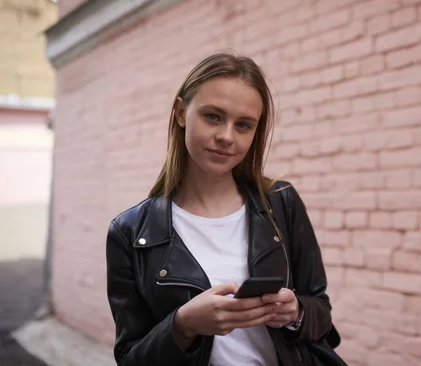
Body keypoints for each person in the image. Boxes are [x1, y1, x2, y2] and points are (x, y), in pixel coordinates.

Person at [105, 53, 345, 366]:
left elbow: (321, 312)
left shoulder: (281, 202)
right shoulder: (130, 232)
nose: (226, 137)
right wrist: (183, 324)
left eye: (243, 125)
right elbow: (130, 359)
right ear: (181, 113)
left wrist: (295, 312)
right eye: (213, 117)